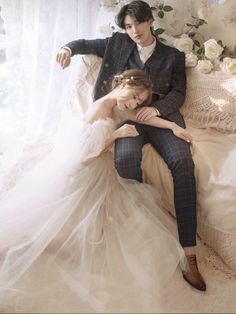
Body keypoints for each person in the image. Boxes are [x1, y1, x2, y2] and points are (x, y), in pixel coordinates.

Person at [1, 69, 191, 313]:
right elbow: (82, 158)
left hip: (103, 174)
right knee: (59, 235)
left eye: (138, 101)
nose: (133, 104)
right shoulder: (98, 109)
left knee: (111, 224)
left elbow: (143, 117)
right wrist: (116, 134)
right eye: (134, 96)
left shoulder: (119, 104)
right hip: (83, 175)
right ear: (123, 83)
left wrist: (173, 127)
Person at [56, 0, 206, 291]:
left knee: (183, 163)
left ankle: (190, 254)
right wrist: (67, 48)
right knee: (125, 161)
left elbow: (179, 92)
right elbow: (84, 43)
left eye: (138, 23)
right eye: (127, 26)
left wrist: (160, 112)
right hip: (127, 122)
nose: (133, 30)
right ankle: (138, 234)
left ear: (150, 21)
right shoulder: (116, 44)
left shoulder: (173, 55)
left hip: (160, 117)